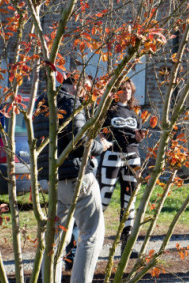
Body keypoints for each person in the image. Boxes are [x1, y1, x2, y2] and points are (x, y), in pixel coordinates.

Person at [38, 74, 111, 283]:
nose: (88, 94)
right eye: (87, 88)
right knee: (91, 235)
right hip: (78, 177)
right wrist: (101, 146)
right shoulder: (71, 102)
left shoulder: (42, 102)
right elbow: (80, 144)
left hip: (54, 180)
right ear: (77, 85)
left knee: (56, 239)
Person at [99, 78, 145, 257]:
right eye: (123, 89)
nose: (126, 92)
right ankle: (90, 241)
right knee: (103, 199)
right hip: (112, 157)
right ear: (116, 91)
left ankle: (126, 246)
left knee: (130, 201)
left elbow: (136, 136)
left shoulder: (134, 113)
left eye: (129, 89)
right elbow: (99, 131)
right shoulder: (108, 110)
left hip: (132, 157)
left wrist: (140, 138)